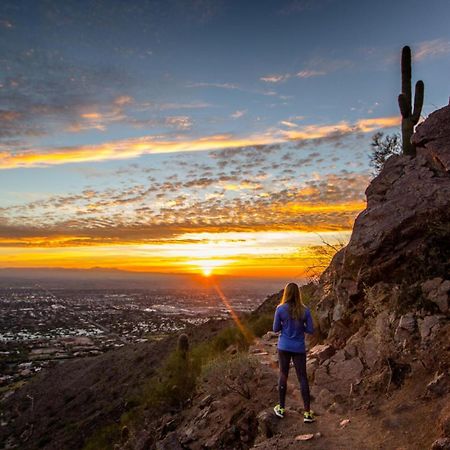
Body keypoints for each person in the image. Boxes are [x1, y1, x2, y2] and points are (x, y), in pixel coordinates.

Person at [272, 282, 315, 423]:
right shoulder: (305, 310)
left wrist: (286, 326)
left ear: (286, 293)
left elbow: (275, 328)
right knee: (302, 378)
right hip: (298, 348)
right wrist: (300, 326)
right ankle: (307, 413)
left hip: (284, 346)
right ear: (298, 293)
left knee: (283, 375)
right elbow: (310, 330)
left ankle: (281, 408)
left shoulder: (280, 309)